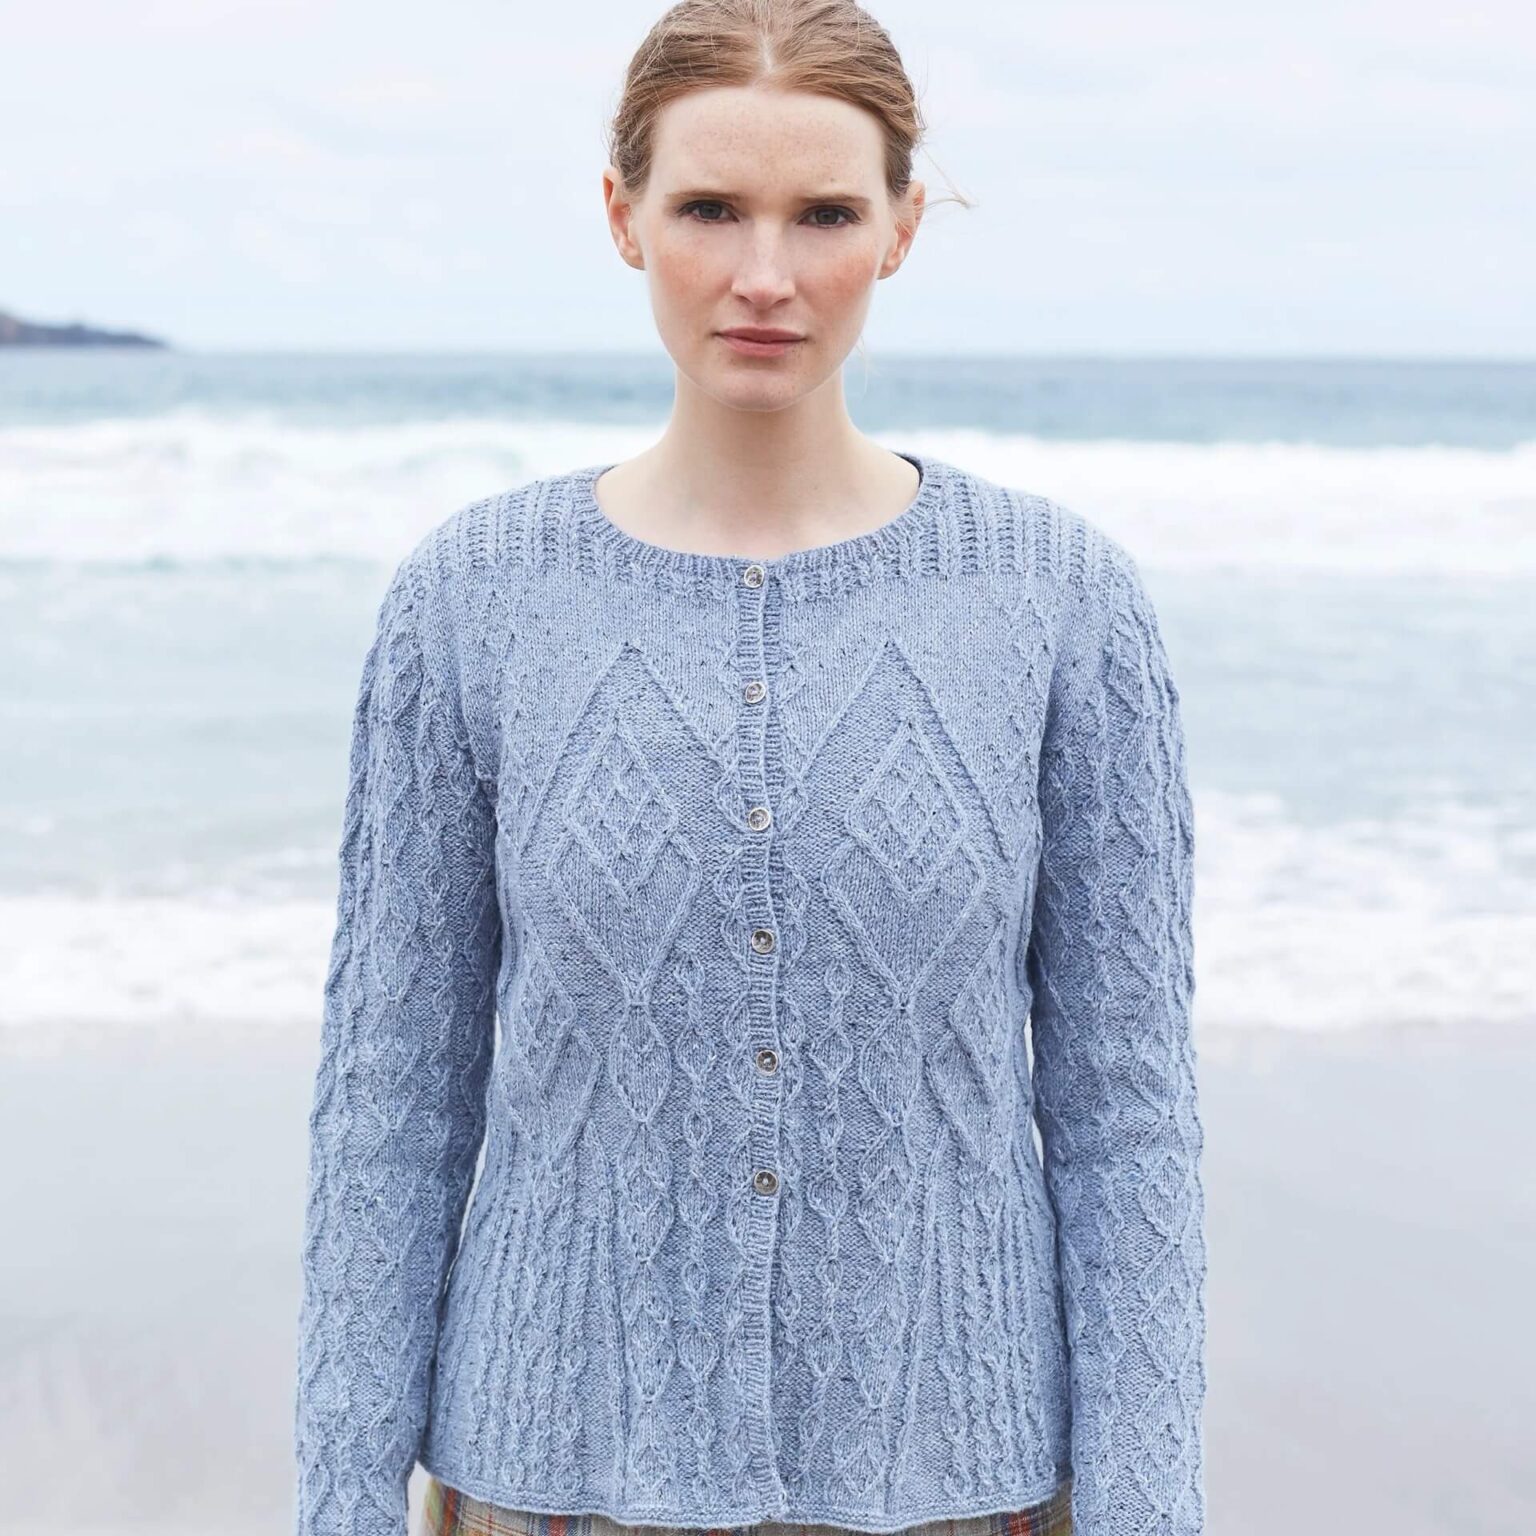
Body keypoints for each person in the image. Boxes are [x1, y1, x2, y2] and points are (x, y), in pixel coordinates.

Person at [291, 3, 1207, 1536]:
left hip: (965, 1488)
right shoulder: (472, 600)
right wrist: (338, 1502)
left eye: (824, 214)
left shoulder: (1060, 602)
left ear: (902, 227)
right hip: (549, 1485)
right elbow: (391, 1104)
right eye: (711, 208)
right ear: (623, 217)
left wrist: (1151, 1508)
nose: (764, 274)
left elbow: (1127, 1119)